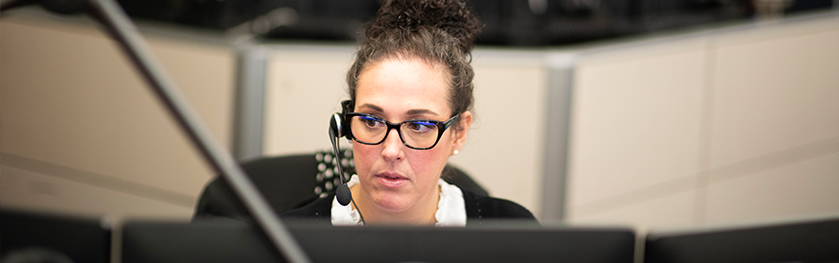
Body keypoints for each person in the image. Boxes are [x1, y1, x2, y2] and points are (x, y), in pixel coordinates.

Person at [282, 0, 536, 226]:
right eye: (371, 121)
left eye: (419, 126)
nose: (391, 151)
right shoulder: (285, 238)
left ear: (458, 132)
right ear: (344, 126)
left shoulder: (512, 232)